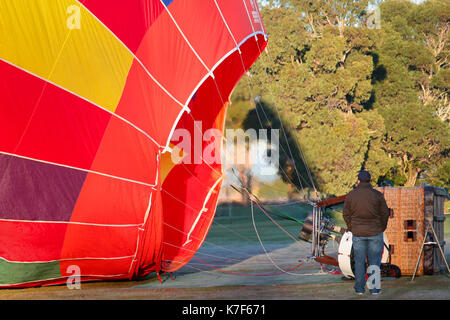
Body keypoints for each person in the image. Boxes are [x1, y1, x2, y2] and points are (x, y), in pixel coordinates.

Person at [343, 170, 390, 295]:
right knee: (374, 261)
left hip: (358, 233)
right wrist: (382, 227)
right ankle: (374, 289)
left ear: (358, 181)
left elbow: (346, 214)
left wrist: (351, 227)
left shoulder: (351, 195)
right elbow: (385, 213)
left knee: (359, 262)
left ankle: (359, 288)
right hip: (375, 232)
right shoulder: (377, 195)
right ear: (370, 181)